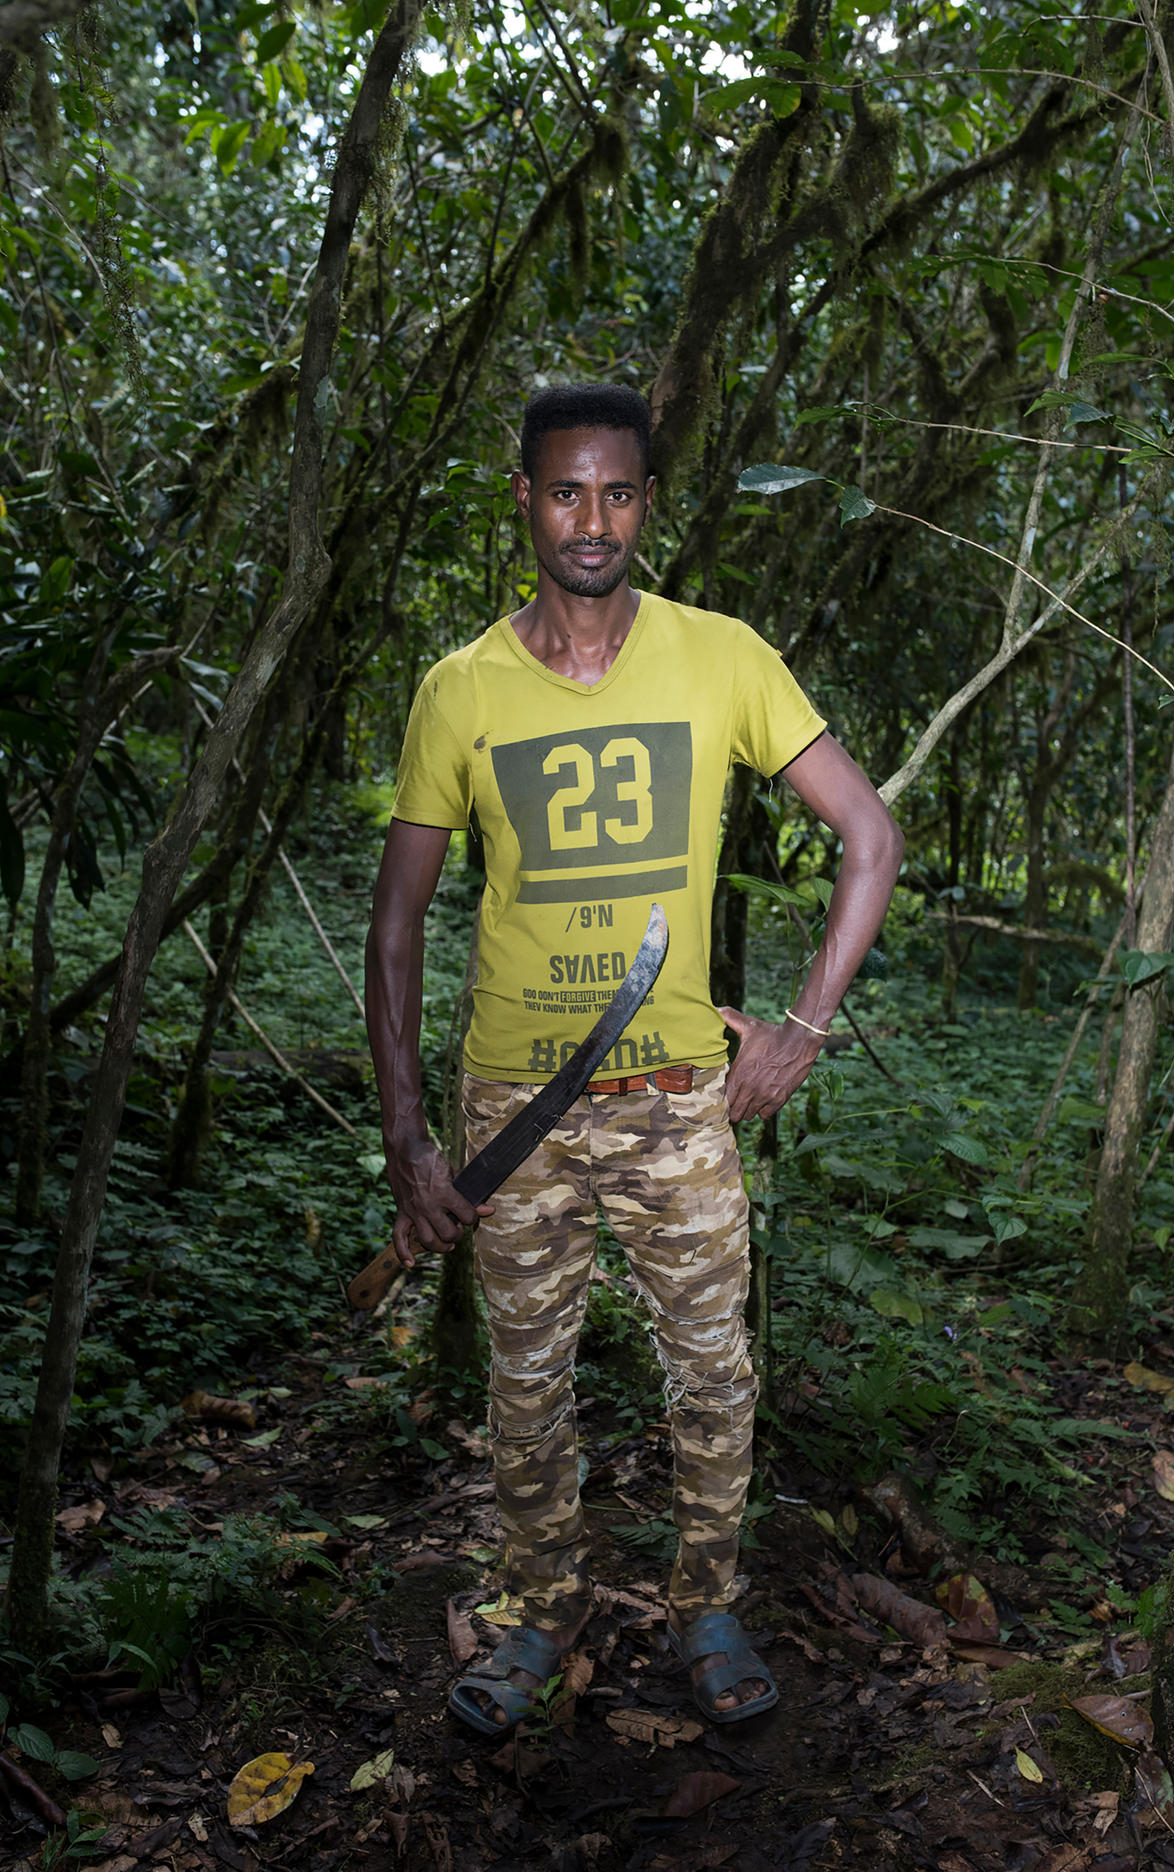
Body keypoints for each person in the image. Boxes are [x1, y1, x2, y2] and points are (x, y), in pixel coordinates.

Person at [367, 383, 904, 1732]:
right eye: (565, 491)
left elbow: (869, 835)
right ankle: (539, 1610)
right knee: (526, 1385)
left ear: (647, 505)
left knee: (715, 1370)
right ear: (526, 501)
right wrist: (412, 1143)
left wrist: (805, 1024)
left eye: (616, 492)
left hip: (678, 1102)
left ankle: (705, 1602)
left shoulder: (722, 657)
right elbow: (397, 923)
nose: (590, 519)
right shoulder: (461, 691)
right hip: (516, 1114)